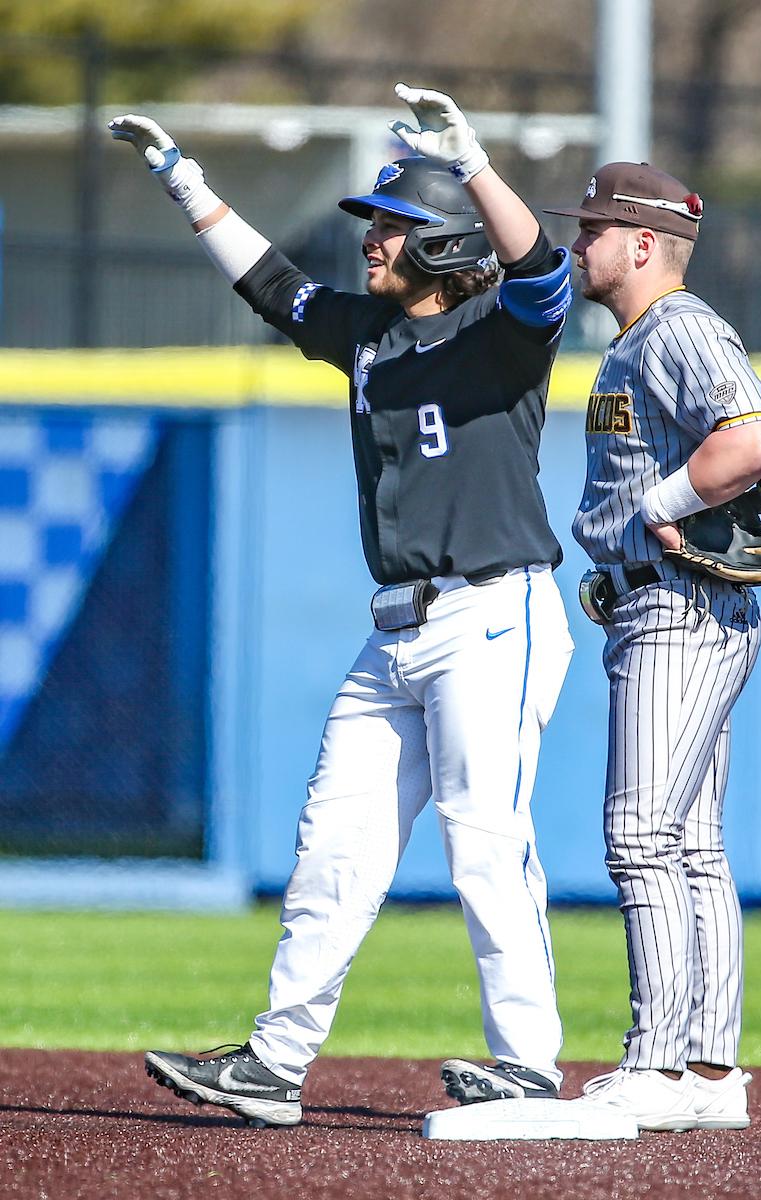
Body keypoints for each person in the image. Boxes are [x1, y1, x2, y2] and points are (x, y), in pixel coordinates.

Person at [109, 85, 575, 1128]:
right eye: (375, 224)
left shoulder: (504, 334)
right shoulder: (366, 330)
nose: (373, 241)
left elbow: (543, 269)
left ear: (449, 245)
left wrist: (473, 167)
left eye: (397, 226)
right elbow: (273, 286)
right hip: (396, 627)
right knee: (333, 844)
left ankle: (532, 1068)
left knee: (482, 838)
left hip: (493, 614)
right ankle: (275, 1064)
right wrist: (183, 179)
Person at [544, 163, 761, 1131]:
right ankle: (707, 1069)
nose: (576, 245)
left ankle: (655, 1066)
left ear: (642, 246)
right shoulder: (640, 340)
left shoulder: (678, 327)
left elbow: (755, 440)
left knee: (641, 835)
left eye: (592, 230)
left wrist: (661, 503)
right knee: (688, 843)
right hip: (663, 603)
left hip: (677, 609)